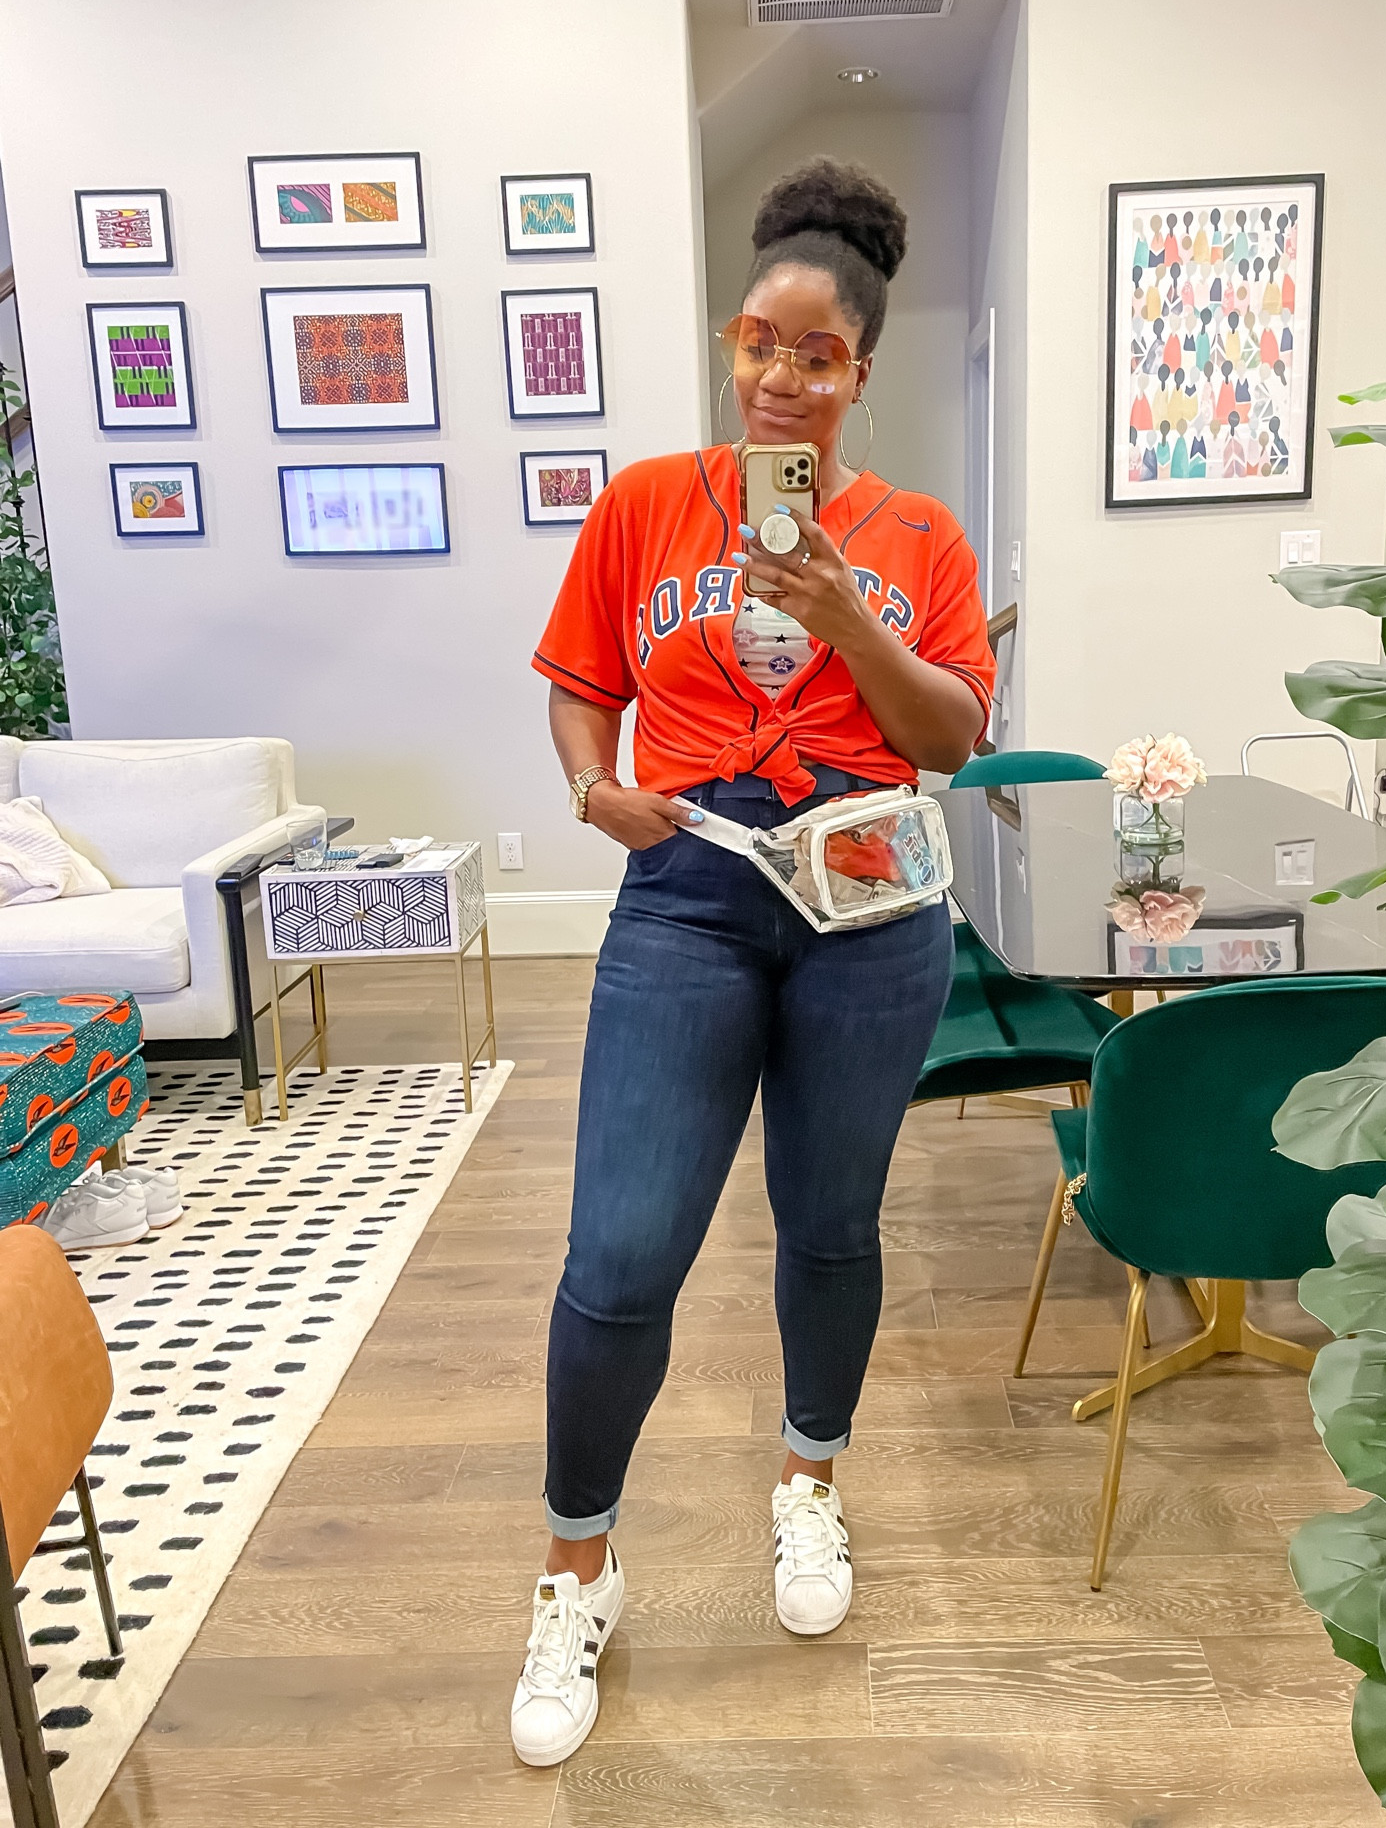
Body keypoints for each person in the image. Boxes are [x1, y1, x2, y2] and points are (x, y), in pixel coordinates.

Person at [511, 158, 995, 1766]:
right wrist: (595, 787)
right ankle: (576, 1564)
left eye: (820, 355)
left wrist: (854, 617)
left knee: (831, 1222)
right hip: (691, 886)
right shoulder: (648, 500)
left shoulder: (918, 535)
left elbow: (952, 734)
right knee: (624, 1249)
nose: (785, 378)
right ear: (735, 344)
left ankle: (810, 1483)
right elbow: (582, 676)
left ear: (864, 370)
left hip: (869, 903)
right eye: (761, 345)